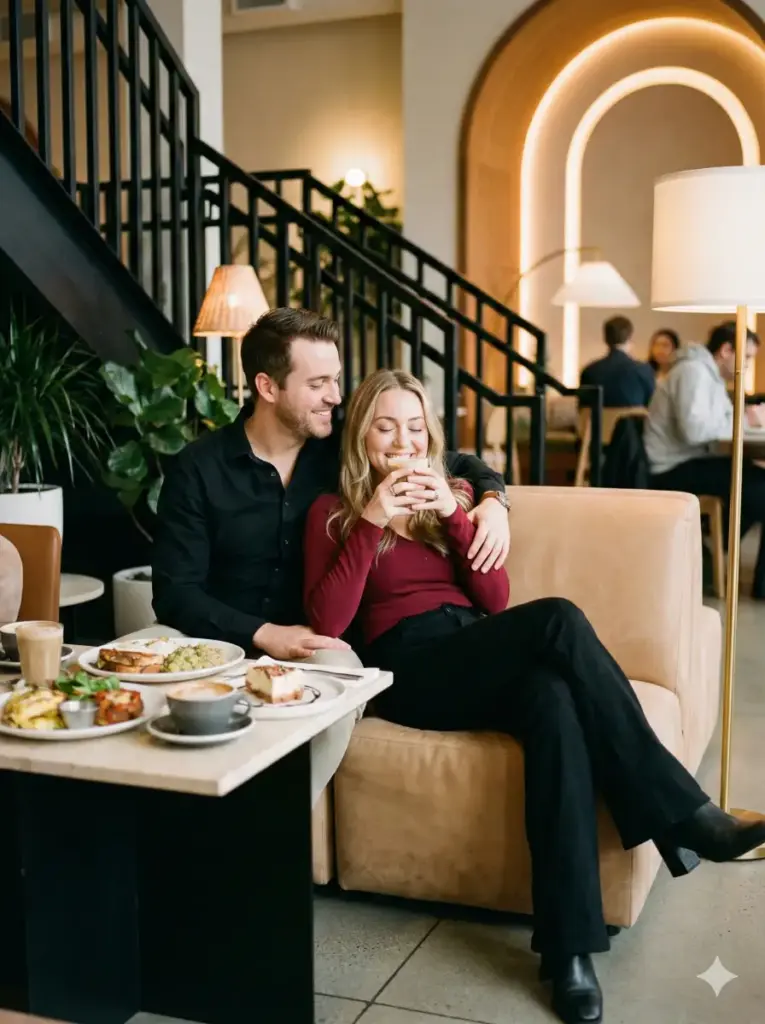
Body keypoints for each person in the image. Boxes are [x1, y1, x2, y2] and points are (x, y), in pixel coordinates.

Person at [302, 367, 765, 1024]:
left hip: (474, 647)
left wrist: (456, 517)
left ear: (430, 434)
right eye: (385, 428)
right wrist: (373, 520)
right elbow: (327, 622)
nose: (402, 442)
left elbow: (493, 600)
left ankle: (567, 950)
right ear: (361, 436)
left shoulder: (452, 500)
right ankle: (682, 814)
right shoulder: (332, 512)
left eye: (414, 427)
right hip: (409, 670)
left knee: (553, 702)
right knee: (558, 618)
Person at [151, 308, 511, 805]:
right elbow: (174, 593)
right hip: (220, 633)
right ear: (268, 386)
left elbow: (449, 458)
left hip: (316, 639)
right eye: (318, 383)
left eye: (336, 380)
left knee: (341, 680)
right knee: (128, 658)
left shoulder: (340, 448)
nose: (336, 397)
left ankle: (276, 823)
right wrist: (263, 633)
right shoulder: (198, 469)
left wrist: (494, 501)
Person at [646, 320, 765, 598]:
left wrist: (742, 419)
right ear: (726, 350)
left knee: (756, 482)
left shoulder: (708, 376)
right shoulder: (692, 372)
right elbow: (695, 431)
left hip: (690, 459)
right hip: (672, 467)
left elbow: (720, 422)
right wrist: (744, 421)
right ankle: (711, 550)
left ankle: (709, 549)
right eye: (746, 357)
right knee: (758, 486)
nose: (747, 366)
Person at [580, 316, 655, 408]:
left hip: (600, 418)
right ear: (629, 337)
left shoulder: (589, 371)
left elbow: (583, 408)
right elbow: (652, 405)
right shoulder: (643, 370)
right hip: (634, 417)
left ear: (605, 339)